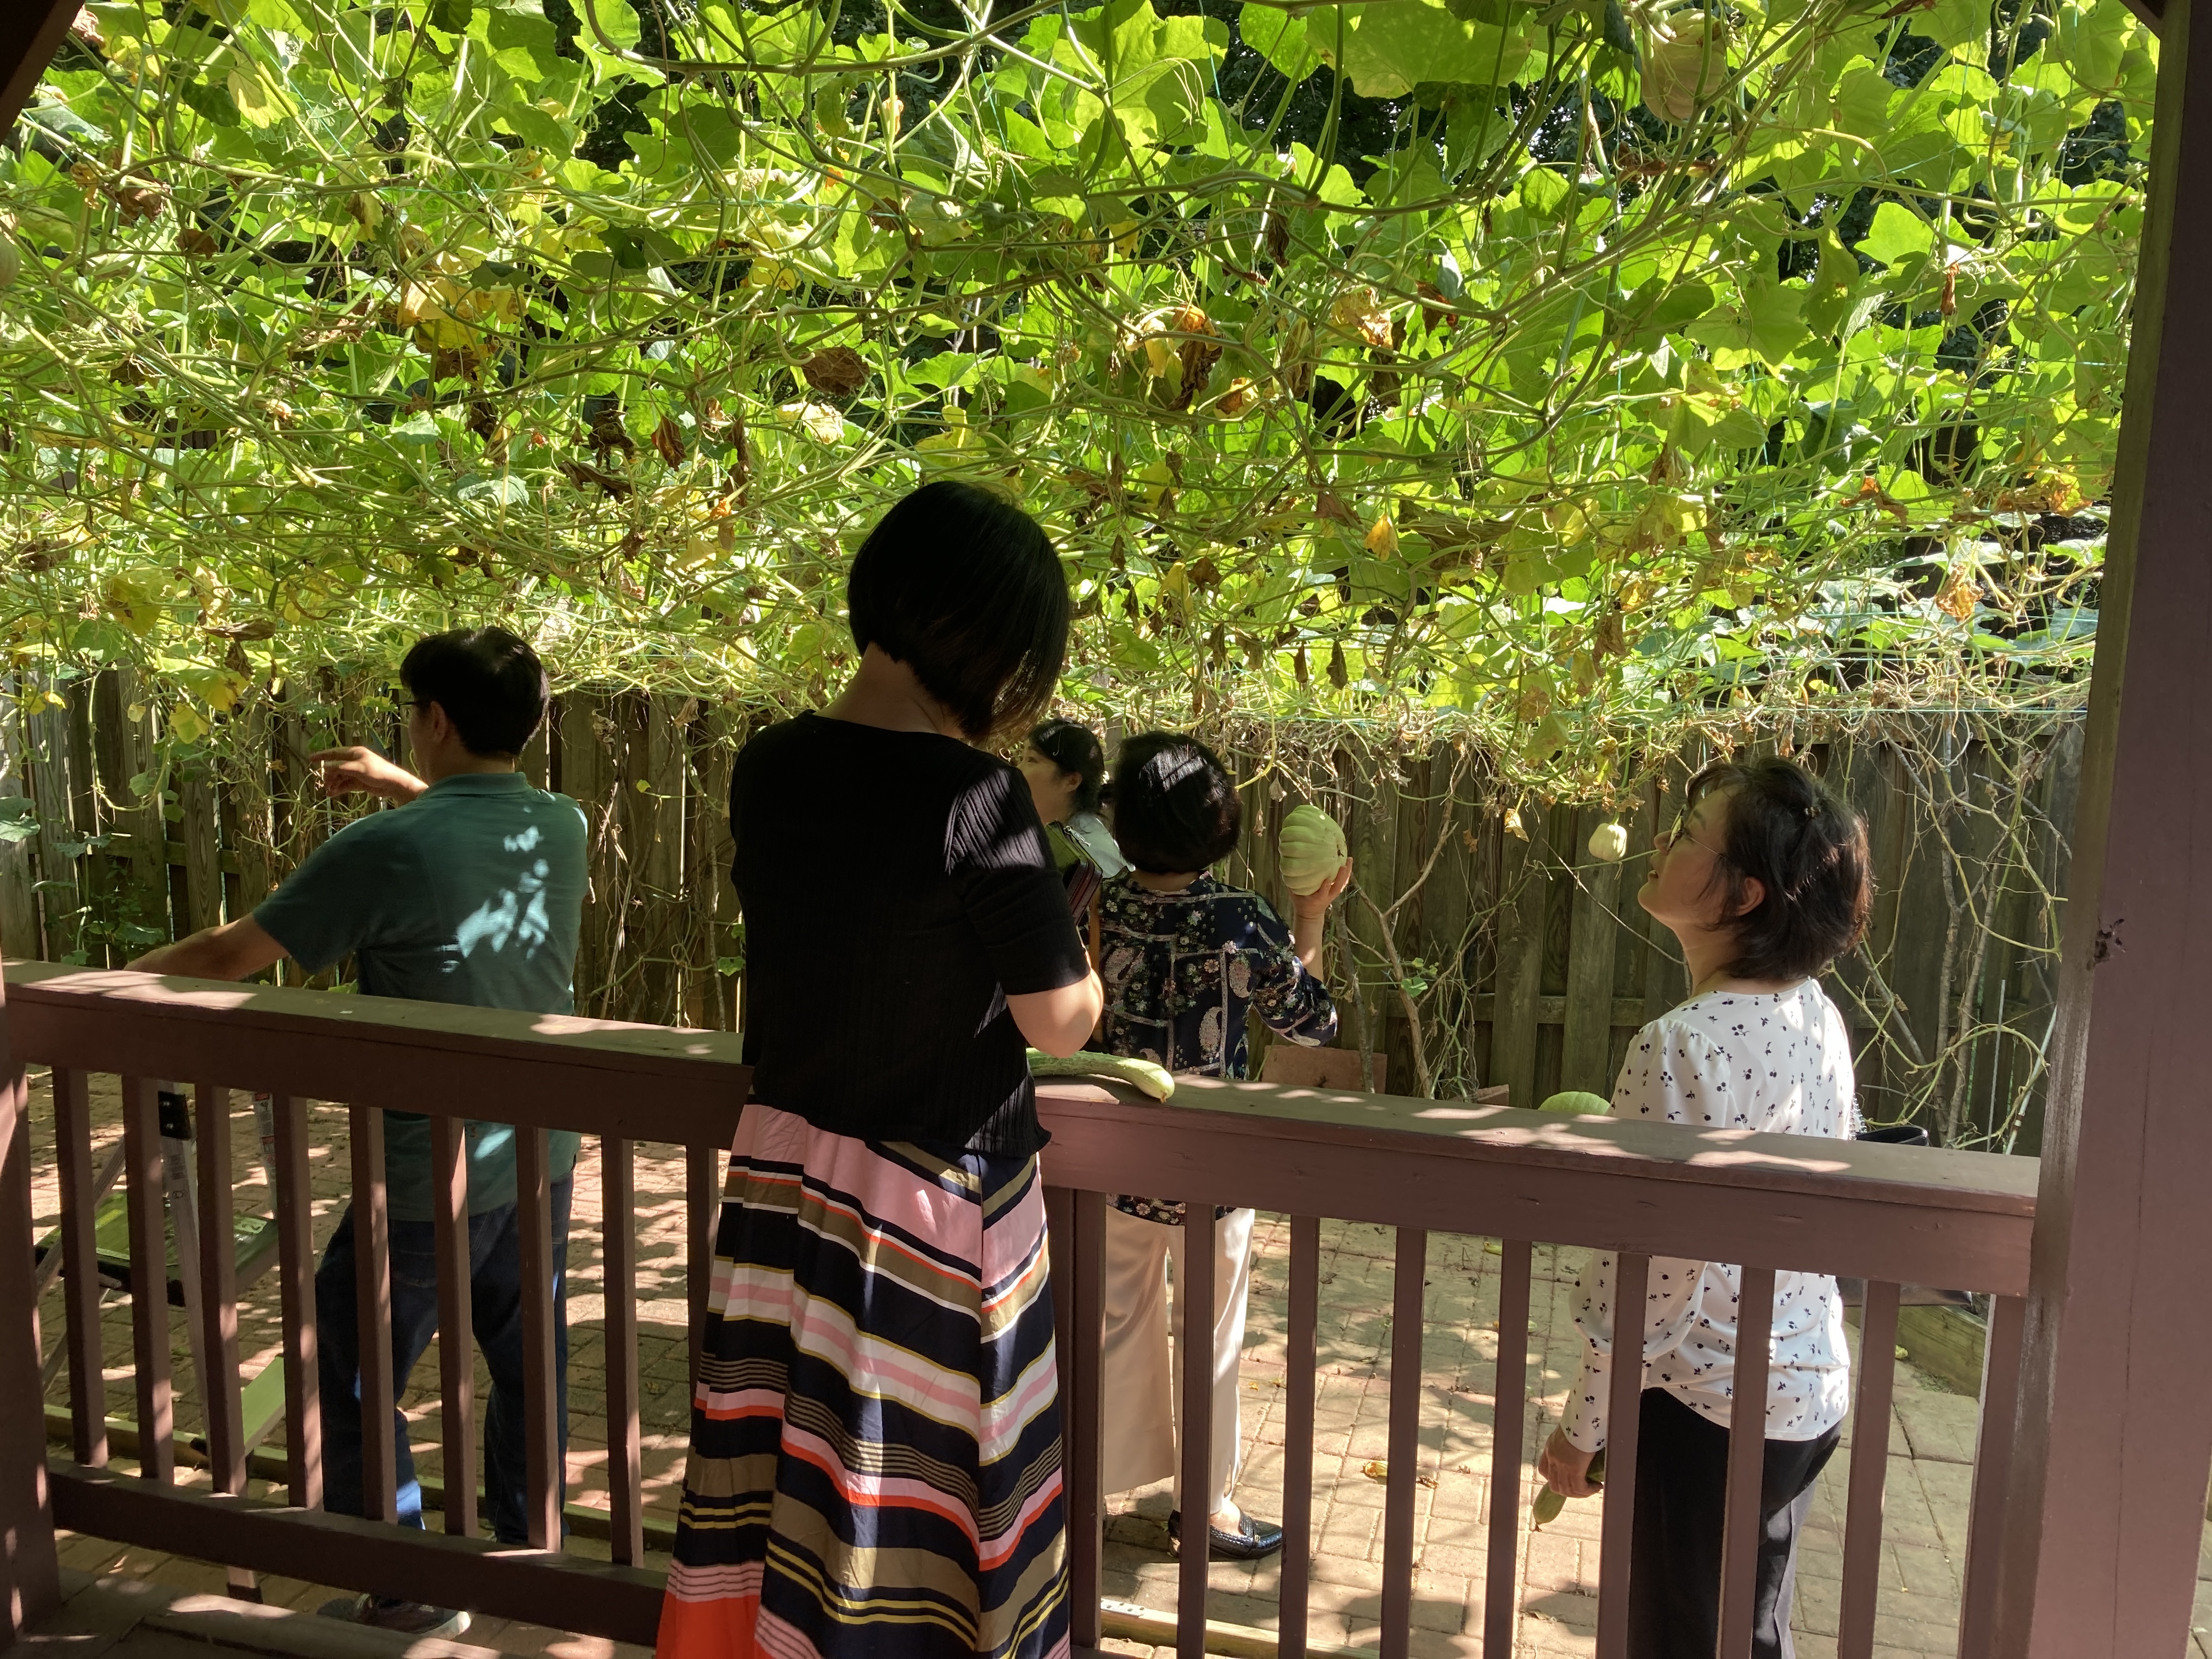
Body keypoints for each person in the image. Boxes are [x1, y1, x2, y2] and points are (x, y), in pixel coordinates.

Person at [657, 480, 1101, 1659]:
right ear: (988, 645)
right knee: (922, 1490)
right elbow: (1060, 1019)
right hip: (927, 1205)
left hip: (783, 1176)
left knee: (781, 1464)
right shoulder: (975, 795)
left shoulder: (771, 764)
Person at [131, 627, 586, 1639]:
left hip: (426, 1176)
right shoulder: (559, 824)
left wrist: (101, 985)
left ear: (435, 718)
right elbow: (468, 838)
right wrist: (400, 784)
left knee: (350, 1366)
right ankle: (529, 1556)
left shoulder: (386, 849)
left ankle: (403, 1583)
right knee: (528, 1362)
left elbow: (228, 954)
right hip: (540, 1154)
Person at [1534, 757, 1874, 1659]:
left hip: (1711, 1412)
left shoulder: (1678, 1045)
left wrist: (1582, 1428)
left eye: (1687, 832)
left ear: (1742, 895)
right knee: (1744, 1629)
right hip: (1804, 1390)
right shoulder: (1816, 1014)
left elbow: (1645, 1277)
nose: (1661, 838)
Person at [1091, 733, 1351, 1562]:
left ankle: (1086, 1495)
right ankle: (1204, 1510)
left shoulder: (1097, 905)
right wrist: (1310, 918)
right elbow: (1311, 1023)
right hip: (1211, 1165)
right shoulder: (1242, 918)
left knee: (1109, 1324)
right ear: (1220, 826)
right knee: (1211, 1335)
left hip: (1112, 1155)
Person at [1018, 718, 1126, 921]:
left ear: (1072, 781)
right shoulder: (1059, 834)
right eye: (1021, 759)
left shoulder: (1088, 853)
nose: (1018, 770)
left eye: (1031, 760)